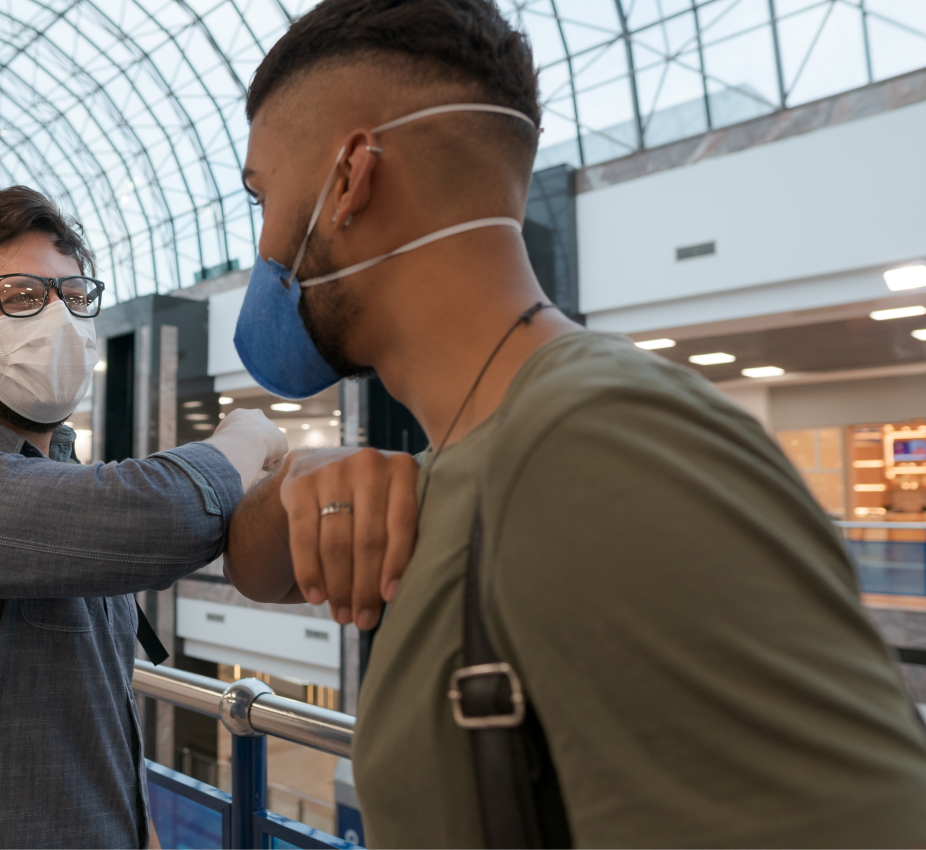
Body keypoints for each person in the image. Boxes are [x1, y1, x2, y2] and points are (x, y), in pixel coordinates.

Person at [223, 0, 926, 846]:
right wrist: (305, 477)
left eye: (263, 195)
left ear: (349, 180)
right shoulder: (484, 448)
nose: (259, 247)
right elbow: (250, 558)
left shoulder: (603, 443)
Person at [0, 186, 416, 848]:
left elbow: (100, 716)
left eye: (74, 296)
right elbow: (160, 516)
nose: (60, 318)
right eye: (22, 297)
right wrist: (243, 441)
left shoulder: (69, 482)